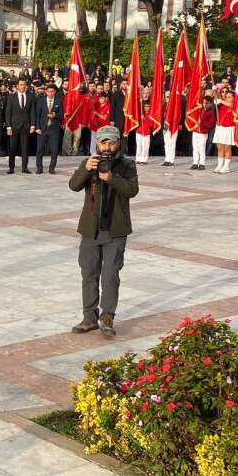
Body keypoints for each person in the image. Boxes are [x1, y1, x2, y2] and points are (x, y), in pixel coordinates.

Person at [69, 125, 139, 339]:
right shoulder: (90, 162)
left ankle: (107, 316)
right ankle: (89, 317)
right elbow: (73, 185)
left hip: (115, 231)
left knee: (110, 276)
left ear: (118, 143)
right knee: (89, 274)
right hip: (91, 230)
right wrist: (86, 169)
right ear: (97, 144)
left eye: (112, 142)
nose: (107, 147)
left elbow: (132, 190)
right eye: (103, 142)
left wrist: (112, 178)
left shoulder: (127, 164)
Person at [5, 78, 36, 174]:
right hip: (14, 126)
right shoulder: (11, 97)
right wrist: (8, 127)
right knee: (12, 147)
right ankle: (11, 167)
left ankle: (25, 167)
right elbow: (8, 112)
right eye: (21, 84)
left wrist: (33, 125)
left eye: (24, 84)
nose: (23, 86)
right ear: (17, 86)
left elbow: (32, 112)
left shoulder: (30, 96)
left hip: (26, 125)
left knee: (25, 147)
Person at [34, 82, 63, 174]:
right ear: (46, 92)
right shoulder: (41, 100)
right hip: (42, 128)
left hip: (54, 129)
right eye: (48, 91)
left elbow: (61, 114)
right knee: (40, 150)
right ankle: (39, 168)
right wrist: (37, 127)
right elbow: (37, 115)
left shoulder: (59, 101)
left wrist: (55, 115)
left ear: (55, 92)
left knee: (54, 150)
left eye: (52, 91)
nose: (50, 93)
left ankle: (52, 168)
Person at [212, 88, 236, 174]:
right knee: (220, 147)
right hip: (220, 128)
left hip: (229, 128)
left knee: (227, 148)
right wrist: (215, 90)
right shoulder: (221, 104)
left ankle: (226, 166)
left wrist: (221, 101)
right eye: (226, 96)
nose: (227, 97)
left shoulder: (234, 105)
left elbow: (230, 104)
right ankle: (220, 165)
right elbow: (216, 98)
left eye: (229, 96)